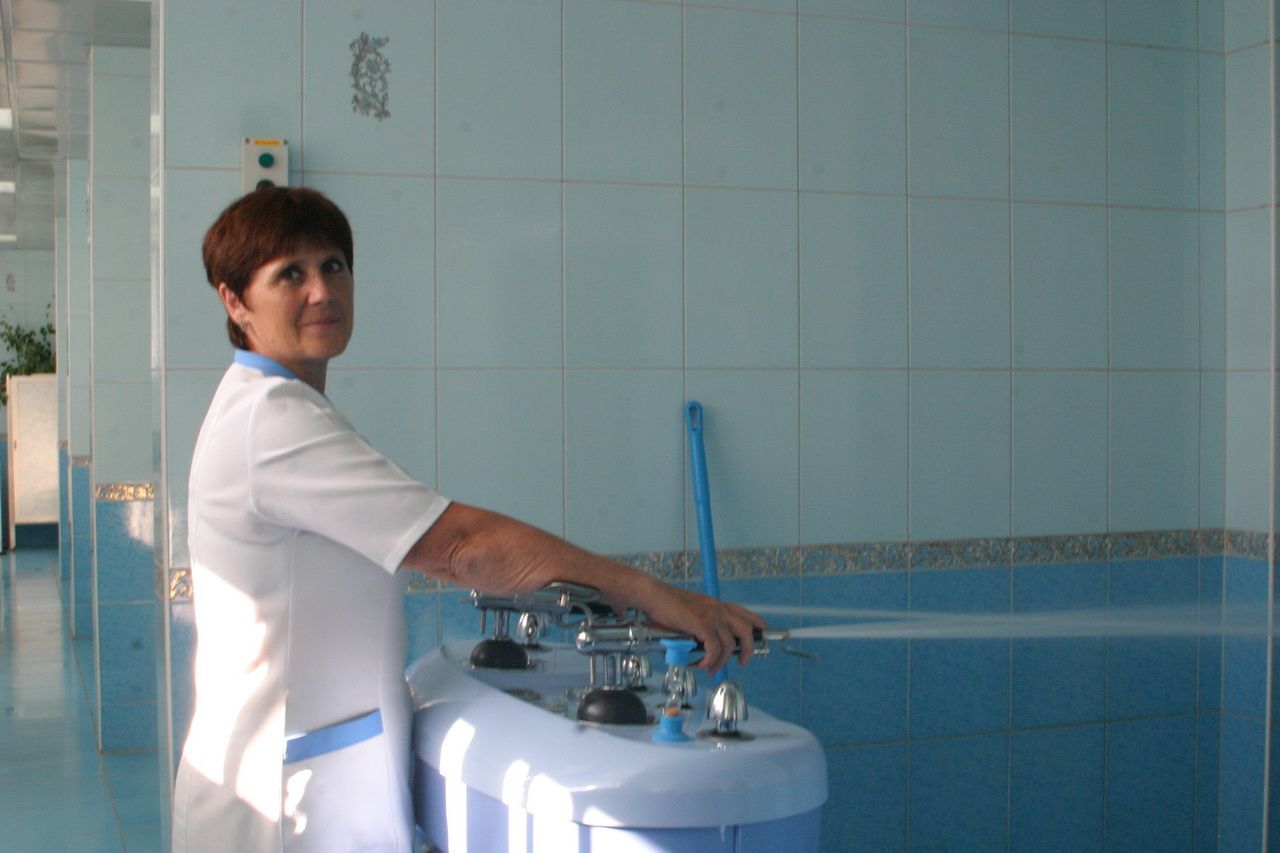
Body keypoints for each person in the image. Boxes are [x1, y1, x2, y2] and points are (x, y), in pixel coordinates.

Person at [170, 186, 765, 852]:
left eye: (333, 265)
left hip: (304, 776)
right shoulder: (271, 421)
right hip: (277, 806)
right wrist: (655, 596)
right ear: (235, 301)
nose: (322, 291)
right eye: (290, 274)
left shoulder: (278, 408)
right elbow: (461, 545)